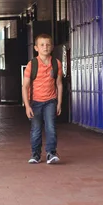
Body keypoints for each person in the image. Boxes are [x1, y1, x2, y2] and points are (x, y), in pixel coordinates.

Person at [22, 34, 63, 164]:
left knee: (51, 127)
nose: (45, 47)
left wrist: (59, 103)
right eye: (42, 45)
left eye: (48, 44)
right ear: (36, 48)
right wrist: (27, 106)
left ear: (52, 47)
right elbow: (25, 86)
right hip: (35, 102)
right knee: (36, 129)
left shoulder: (56, 64)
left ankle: (51, 153)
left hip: (51, 101)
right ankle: (36, 154)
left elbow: (59, 84)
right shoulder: (32, 64)